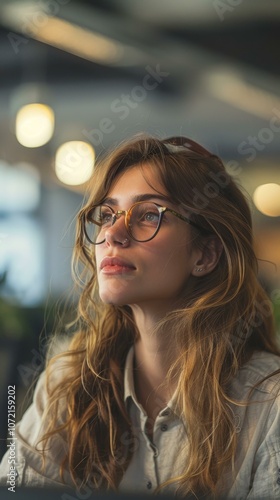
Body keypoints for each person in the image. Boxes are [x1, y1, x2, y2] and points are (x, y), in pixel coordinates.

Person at [0, 134, 280, 498]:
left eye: (148, 214)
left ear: (205, 255)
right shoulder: (68, 383)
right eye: (107, 215)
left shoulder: (268, 404)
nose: (112, 234)